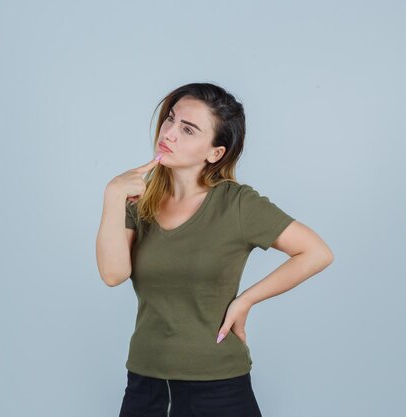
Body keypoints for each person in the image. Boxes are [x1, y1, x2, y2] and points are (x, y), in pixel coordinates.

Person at [95, 82, 334, 417]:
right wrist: (112, 195)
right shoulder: (139, 201)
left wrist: (246, 300)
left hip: (217, 389)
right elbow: (112, 273)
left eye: (188, 129)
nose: (170, 133)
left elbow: (317, 252)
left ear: (215, 153)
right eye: (171, 119)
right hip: (144, 385)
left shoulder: (236, 204)